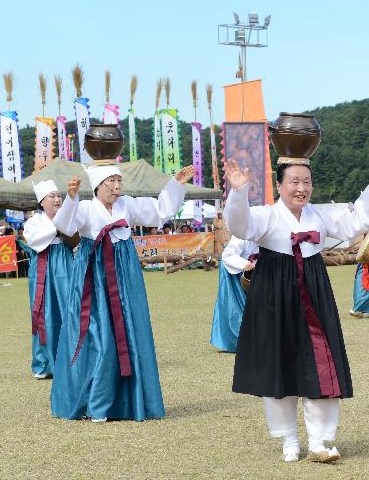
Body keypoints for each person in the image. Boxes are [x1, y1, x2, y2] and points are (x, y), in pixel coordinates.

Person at [224, 156, 369, 464]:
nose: (301, 188)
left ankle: (319, 440)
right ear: (279, 185)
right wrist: (238, 193)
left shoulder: (321, 215)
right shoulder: (265, 215)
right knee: (281, 364)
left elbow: (358, 221)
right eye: (294, 182)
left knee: (321, 363)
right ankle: (289, 439)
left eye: (306, 182)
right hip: (273, 293)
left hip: (314, 291)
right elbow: (240, 225)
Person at [50, 163, 194, 422]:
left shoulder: (126, 204)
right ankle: (97, 402)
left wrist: (176, 184)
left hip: (125, 273)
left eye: (119, 181)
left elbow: (160, 211)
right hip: (94, 275)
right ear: (97, 186)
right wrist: (70, 198)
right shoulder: (84, 207)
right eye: (111, 182)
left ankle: (130, 401)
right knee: (99, 335)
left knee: (130, 331)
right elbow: (66, 226)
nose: (117, 187)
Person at [21, 180, 75, 380]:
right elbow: (34, 240)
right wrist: (58, 227)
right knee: (43, 313)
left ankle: (71, 360)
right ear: (41, 202)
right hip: (43, 265)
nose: (57, 199)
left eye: (59, 195)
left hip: (66, 263)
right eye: (51, 196)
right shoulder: (35, 221)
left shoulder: (68, 217)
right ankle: (43, 362)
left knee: (69, 308)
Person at [210, 236, 259, 353]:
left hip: (254, 274)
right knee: (235, 307)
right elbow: (227, 255)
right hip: (233, 271)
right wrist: (245, 264)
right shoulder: (242, 235)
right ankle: (236, 342)